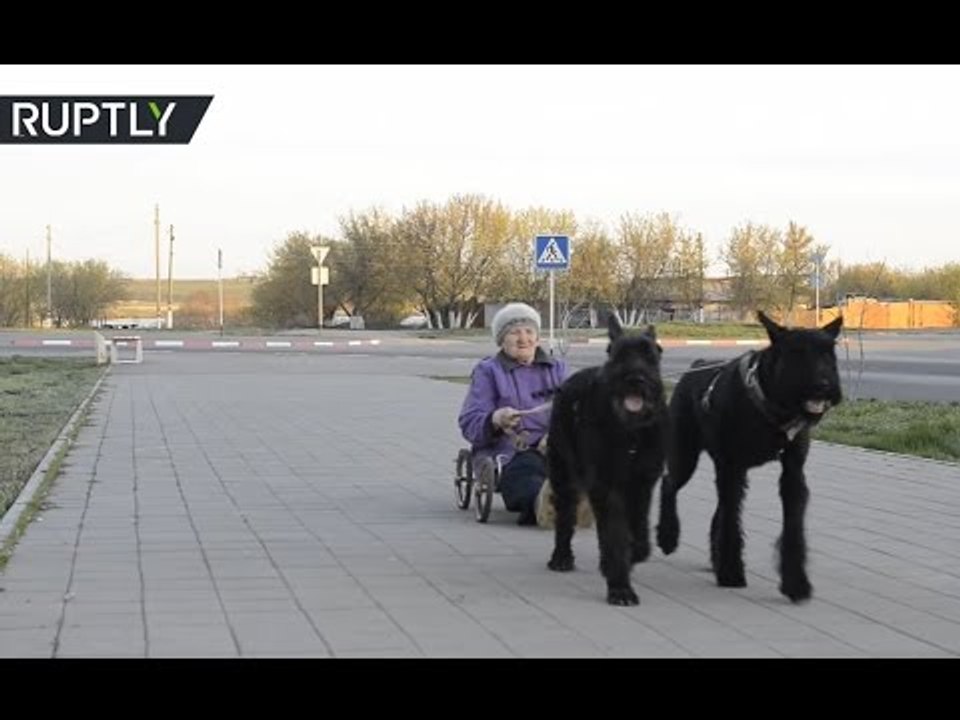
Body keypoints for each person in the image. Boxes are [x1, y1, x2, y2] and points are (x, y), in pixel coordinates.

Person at [458, 302, 567, 525]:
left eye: (529, 331)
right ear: (501, 339)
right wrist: (495, 419)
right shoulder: (488, 371)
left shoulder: (557, 369)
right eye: (514, 332)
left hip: (554, 448)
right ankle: (541, 505)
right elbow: (469, 421)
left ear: (538, 337)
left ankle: (574, 502)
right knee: (526, 471)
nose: (523, 338)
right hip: (511, 450)